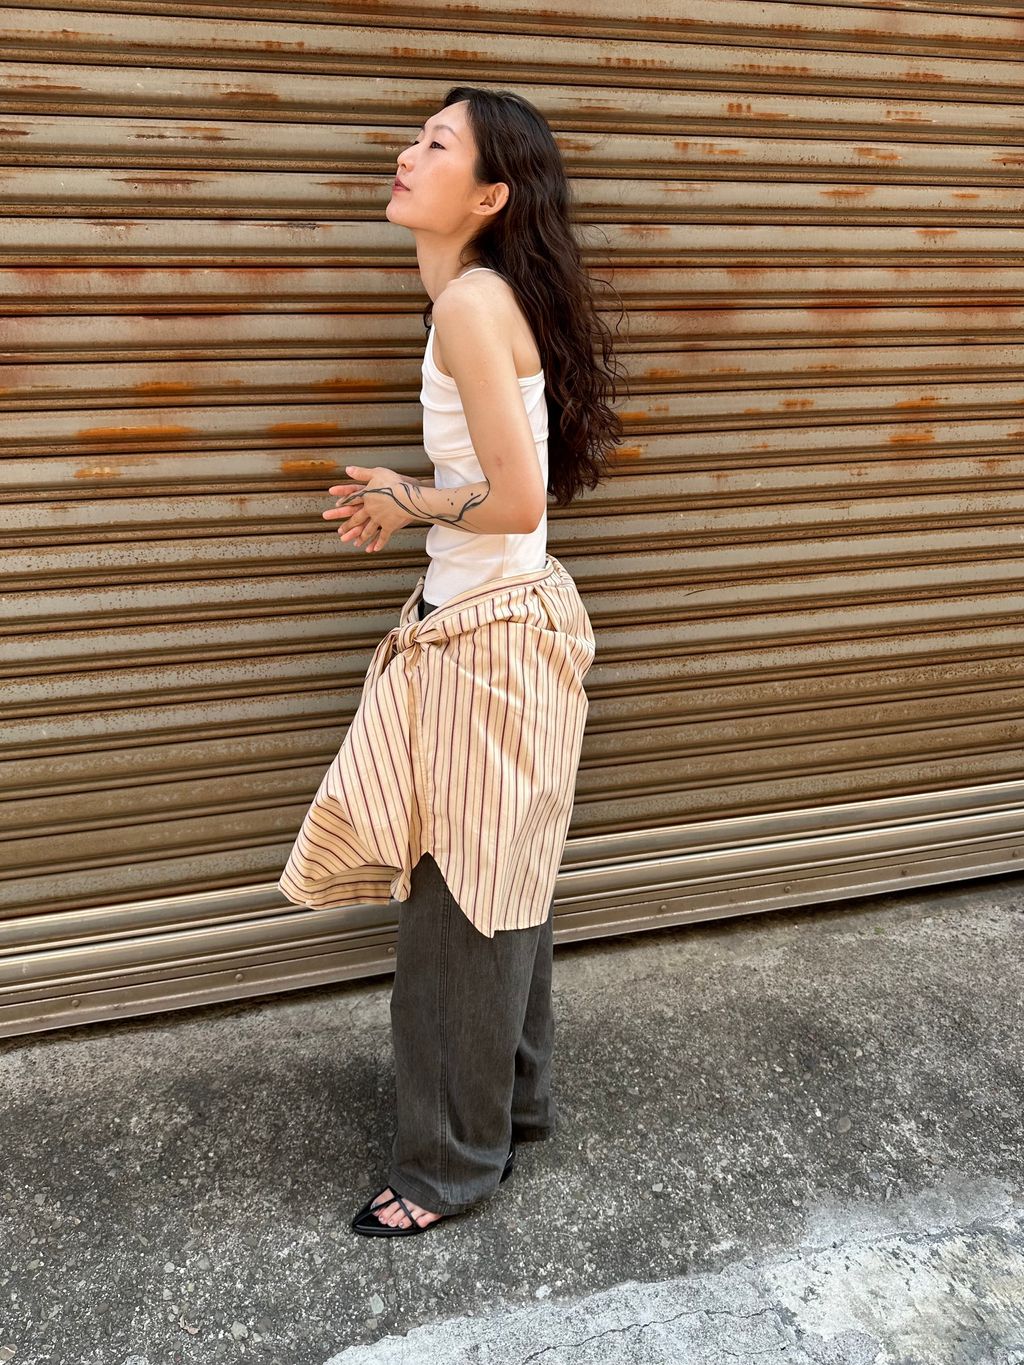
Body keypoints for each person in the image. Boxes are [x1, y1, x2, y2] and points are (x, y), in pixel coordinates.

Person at [316, 86, 625, 1236]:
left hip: (488, 646)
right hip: (505, 623)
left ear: (490, 196)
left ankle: (448, 1166)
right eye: (416, 134)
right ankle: (512, 1107)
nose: (407, 153)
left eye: (436, 143)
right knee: (507, 886)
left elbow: (517, 498)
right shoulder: (477, 294)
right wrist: (419, 506)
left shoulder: (467, 304)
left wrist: (408, 501)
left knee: (460, 911)